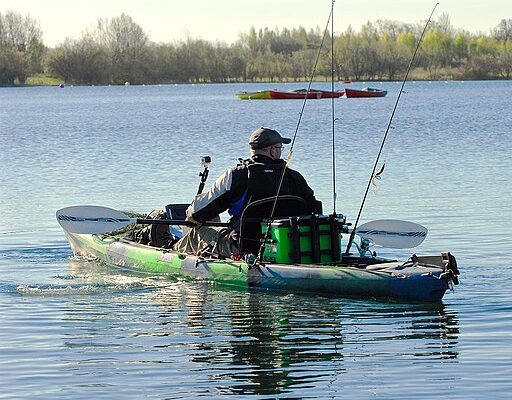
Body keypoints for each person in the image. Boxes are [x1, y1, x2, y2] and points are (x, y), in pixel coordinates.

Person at [172, 127, 323, 258]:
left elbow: (198, 213)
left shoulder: (236, 175)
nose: (280, 151)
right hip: (290, 247)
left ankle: (170, 249)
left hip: (244, 248)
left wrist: (191, 213)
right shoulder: (294, 177)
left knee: (198, 229)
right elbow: (315, 211)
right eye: (279, 148)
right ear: (271, 150)